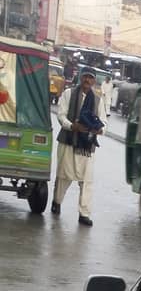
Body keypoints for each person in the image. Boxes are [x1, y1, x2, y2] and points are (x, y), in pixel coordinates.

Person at [52, 68, 106, 226]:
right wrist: (71, 126)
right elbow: (61, 114)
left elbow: (104, 120)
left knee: (86, 181)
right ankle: (57, 202)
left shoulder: (98, 100)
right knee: (63, 176)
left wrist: (101, 129)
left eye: (90, 78)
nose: (87, 81)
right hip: (69, 141)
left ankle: (84, 214)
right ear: (80, 78)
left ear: (94, 81)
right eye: (85, 77)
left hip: (87, 146)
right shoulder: (69, 93)